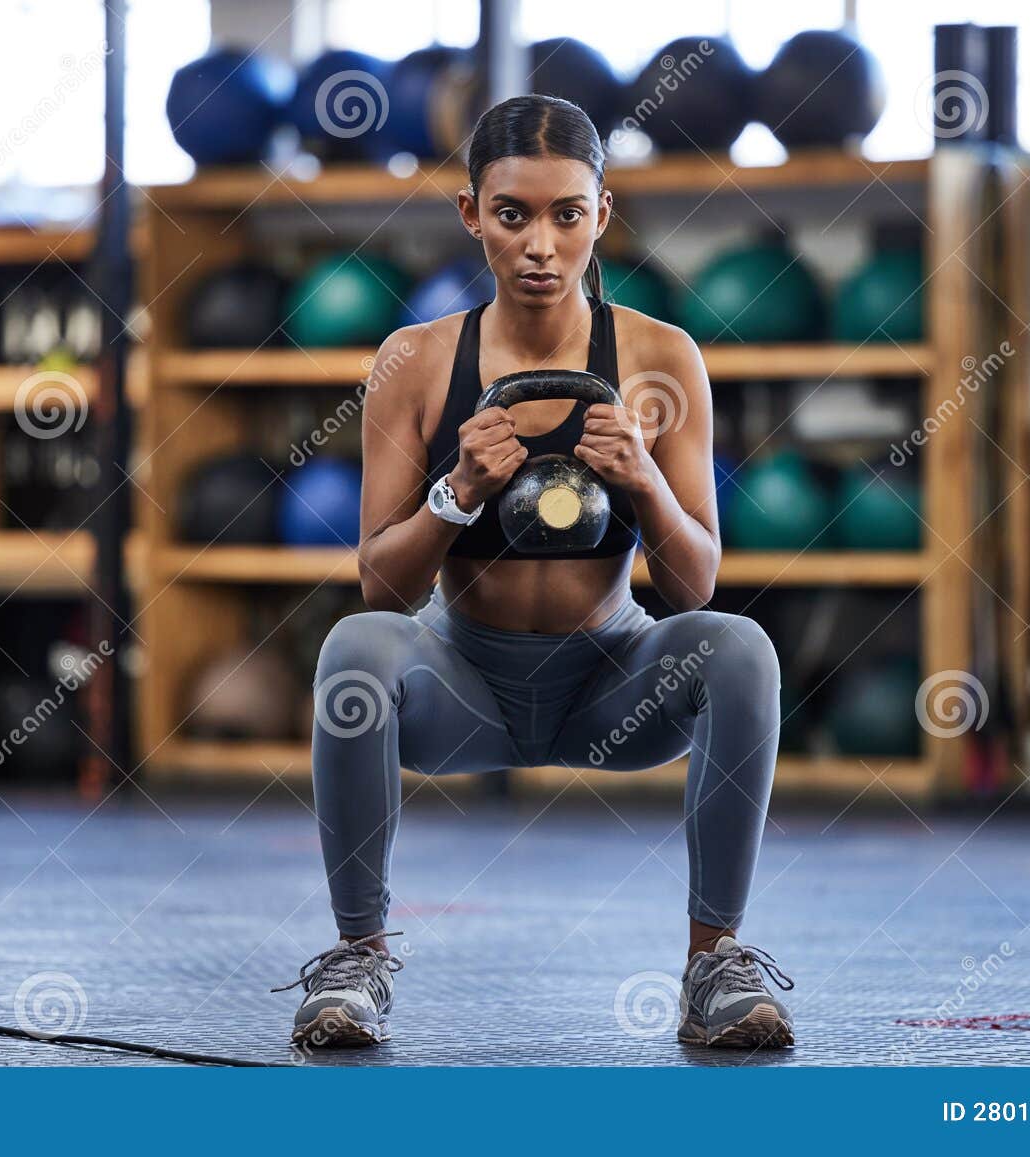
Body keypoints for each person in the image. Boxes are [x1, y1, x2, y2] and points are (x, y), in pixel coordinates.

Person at [273, 95, 791, 1051]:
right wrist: (458, 488)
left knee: (742, 650)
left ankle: (714, 961)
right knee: (354, 649)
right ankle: (357, 958)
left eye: (565, 214)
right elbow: (382, 587)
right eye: (512, 214)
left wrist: (642, 481)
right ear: (472, 214)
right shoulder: (417, 361)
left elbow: (695, 585)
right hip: (463, 685)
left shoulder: (661, 359)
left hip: (611, 684)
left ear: (602, 215)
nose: (540, 244)